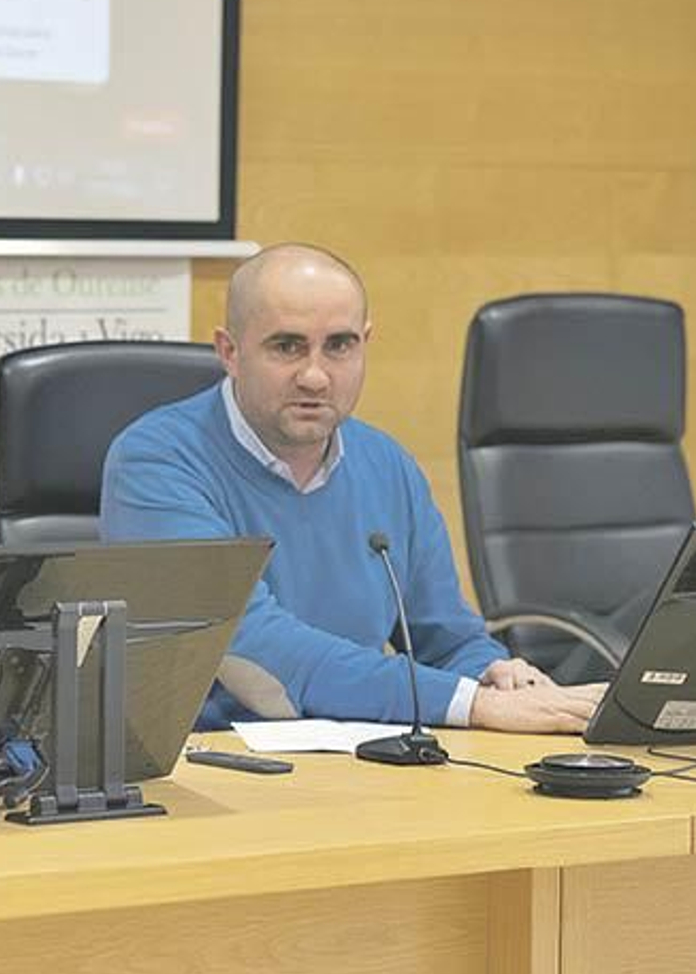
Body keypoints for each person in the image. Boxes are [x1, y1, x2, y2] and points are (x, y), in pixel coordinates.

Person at [100, 243, 606, 734]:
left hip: (364, 764)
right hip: (213, 772)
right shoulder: (155, 461)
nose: (316, 376)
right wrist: (471, 703)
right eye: (287, 346)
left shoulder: (388, 464)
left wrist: (495, 675)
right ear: (229, 352)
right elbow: (253, 648)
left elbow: (446, 641)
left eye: (339, 345)